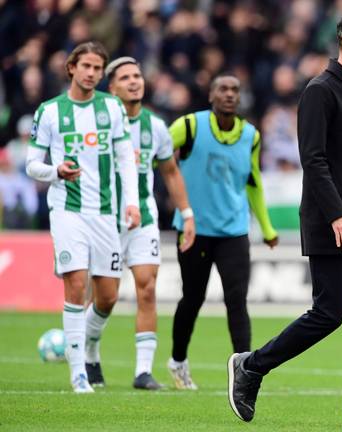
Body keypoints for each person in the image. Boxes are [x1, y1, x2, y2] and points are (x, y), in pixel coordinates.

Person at [226, 10, 342, 428]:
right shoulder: (320, 91)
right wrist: (339, 216)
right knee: (328, 314)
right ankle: (252, 366)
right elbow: (314, 160)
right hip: (334, 223)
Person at [24, 41, 139, 393]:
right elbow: (32, 164)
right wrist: (56, 171)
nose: (91, 73)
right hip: (67, 210)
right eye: (86, 66)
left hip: (105, 213)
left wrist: (130, 203)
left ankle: (87, 344)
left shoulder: (112, 109)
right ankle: (78, 373)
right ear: (71, 67)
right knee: (75, 284)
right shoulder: (50, 112)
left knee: (107, 297)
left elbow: (124, 160)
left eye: (97, 68)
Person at [79, 56, 196, 390]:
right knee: (105, 297)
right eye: (126, 77)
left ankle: (143, 371)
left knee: (147, 287)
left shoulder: (155, 127)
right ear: (111, 87)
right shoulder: (97, 123)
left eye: (138, 75)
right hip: (103, 219)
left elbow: (170, 172)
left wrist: (187, 214)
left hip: (142, 219)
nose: (135, 81)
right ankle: (88, 352)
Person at [165, 74, 278, 390]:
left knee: (237, 300)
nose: (229, 94)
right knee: (193, 298)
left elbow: (253, 183)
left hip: (233, 231)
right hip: (194, 230)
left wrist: (267, 229)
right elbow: (157, 152)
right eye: (222, 89)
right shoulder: (188, 127)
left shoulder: (250, 136)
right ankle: (177, 361)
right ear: (211, 95)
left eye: (234, 90)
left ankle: (245, 370)